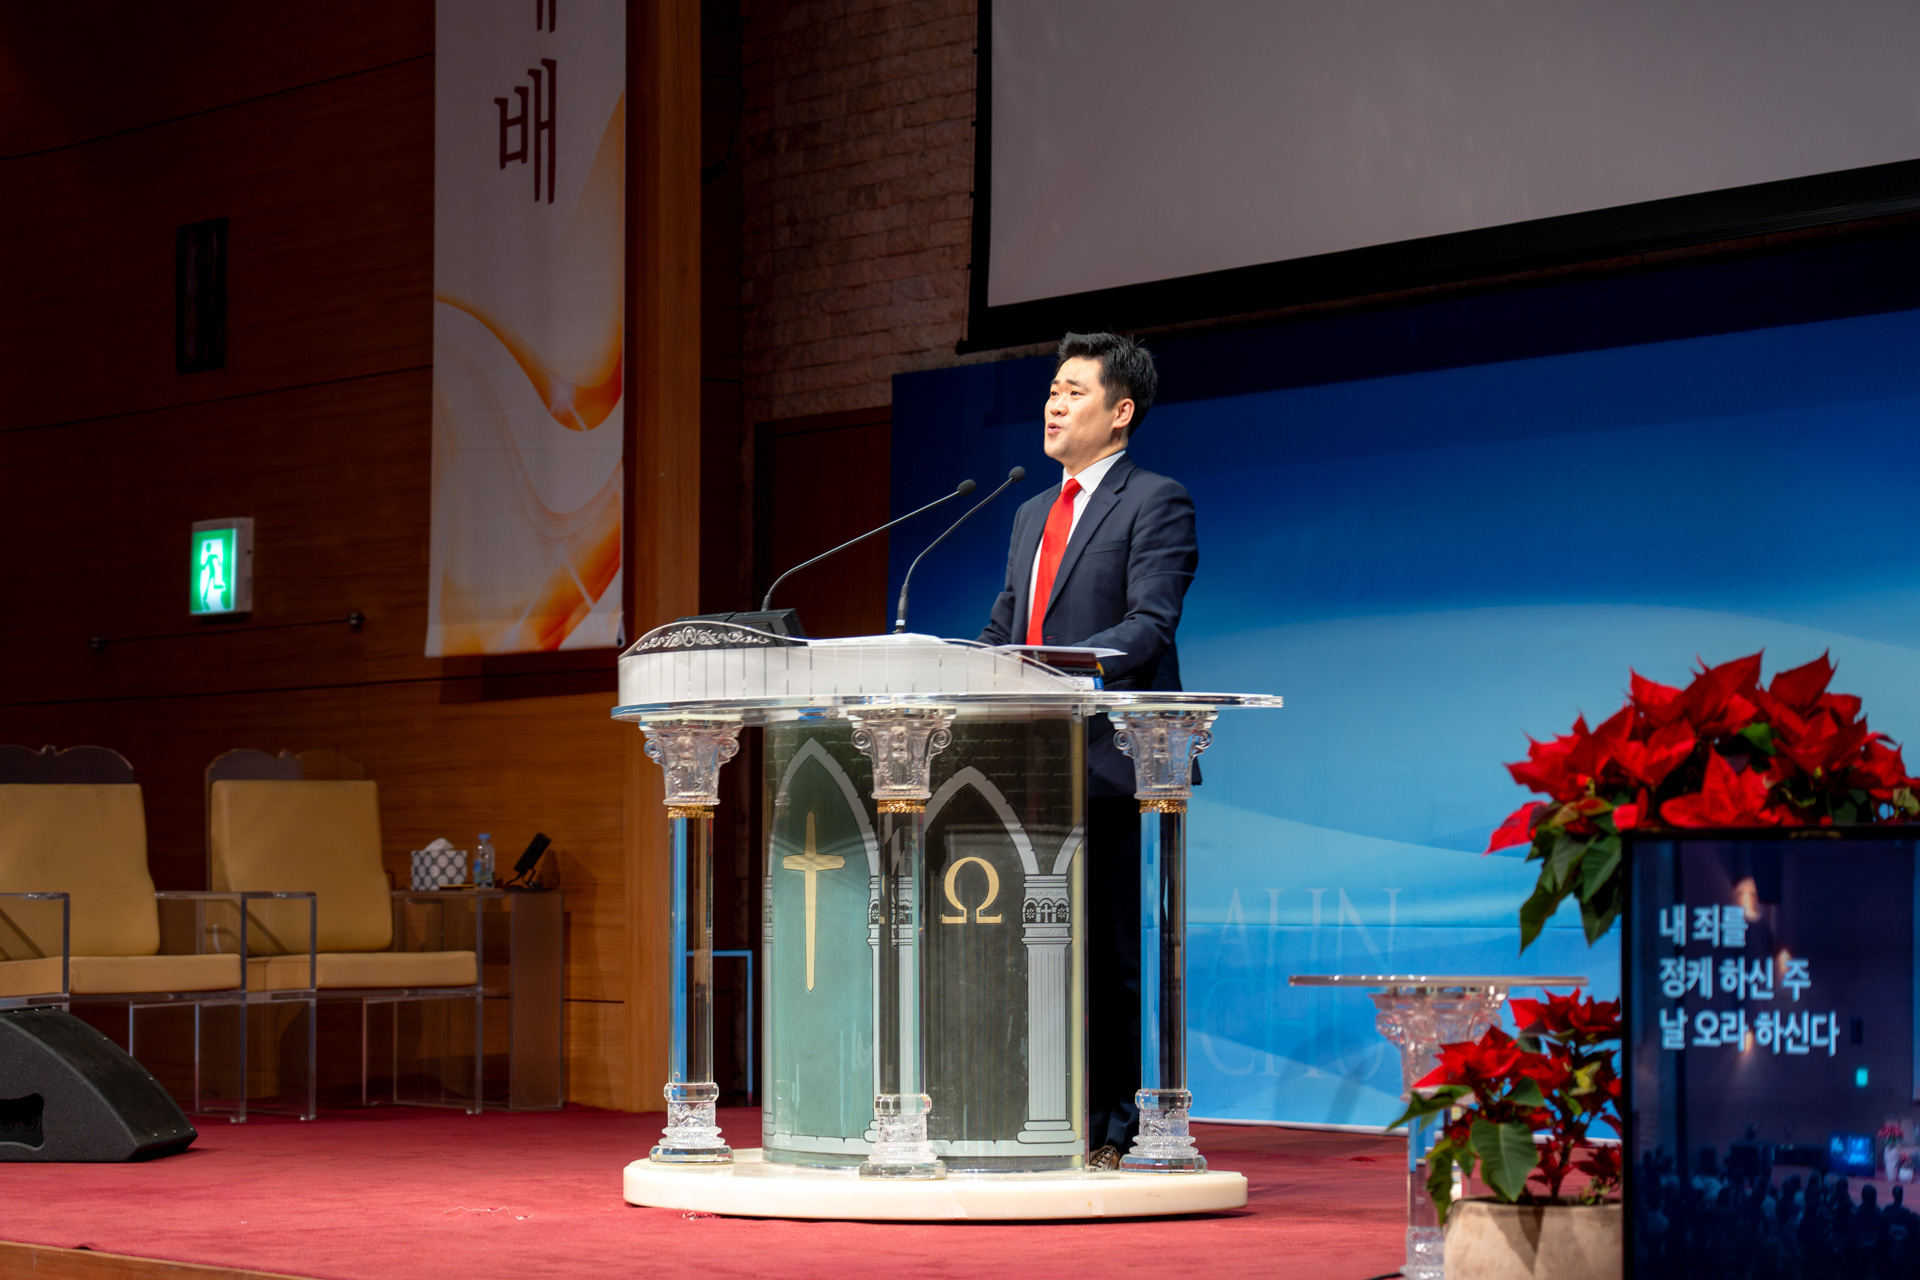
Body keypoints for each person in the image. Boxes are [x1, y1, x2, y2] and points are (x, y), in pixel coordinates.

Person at [978, 331, 1198, 1169]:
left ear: (1121, 411)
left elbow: (1150, 625)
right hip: (1029, 761)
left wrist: (1059, 670)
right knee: (1034, 949)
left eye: (1074, 392)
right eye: (1051, 391)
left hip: (1114, 758)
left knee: (1110, 957)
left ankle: (1120, 1125)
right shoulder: (1031, 512)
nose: (1054, 405)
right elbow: (1007, 624)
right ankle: (1041, 1110)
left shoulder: (1156, 500)